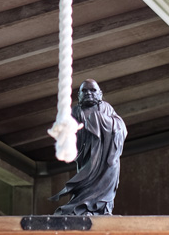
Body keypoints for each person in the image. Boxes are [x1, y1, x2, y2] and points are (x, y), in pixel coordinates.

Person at [49, 80, 127, 216]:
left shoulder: (106, 108)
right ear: (78, 95)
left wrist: (98, 119)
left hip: (106, 159)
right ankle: (81, 208)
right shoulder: (75, 111)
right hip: (87, 159)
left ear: (100, 94)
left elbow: (121, 128)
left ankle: (102, 209)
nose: (88, 93)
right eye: (84, 91)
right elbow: (67, 132)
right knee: (84, 184)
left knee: (105, 185)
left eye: (93, 90)